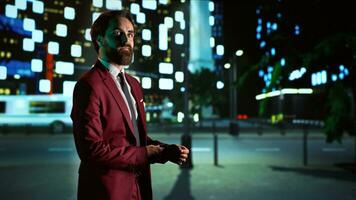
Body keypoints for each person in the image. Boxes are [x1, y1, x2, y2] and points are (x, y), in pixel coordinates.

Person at [70, 10, 189, 200]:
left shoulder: (134, 84)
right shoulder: (88, 85)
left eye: (131, 34)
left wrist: (165, 151)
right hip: (106, 192)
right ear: (99, 40)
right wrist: (147, 155)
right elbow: (91, 150)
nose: (126, 39)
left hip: (139, 189)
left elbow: (134, 138)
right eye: (117, 33)